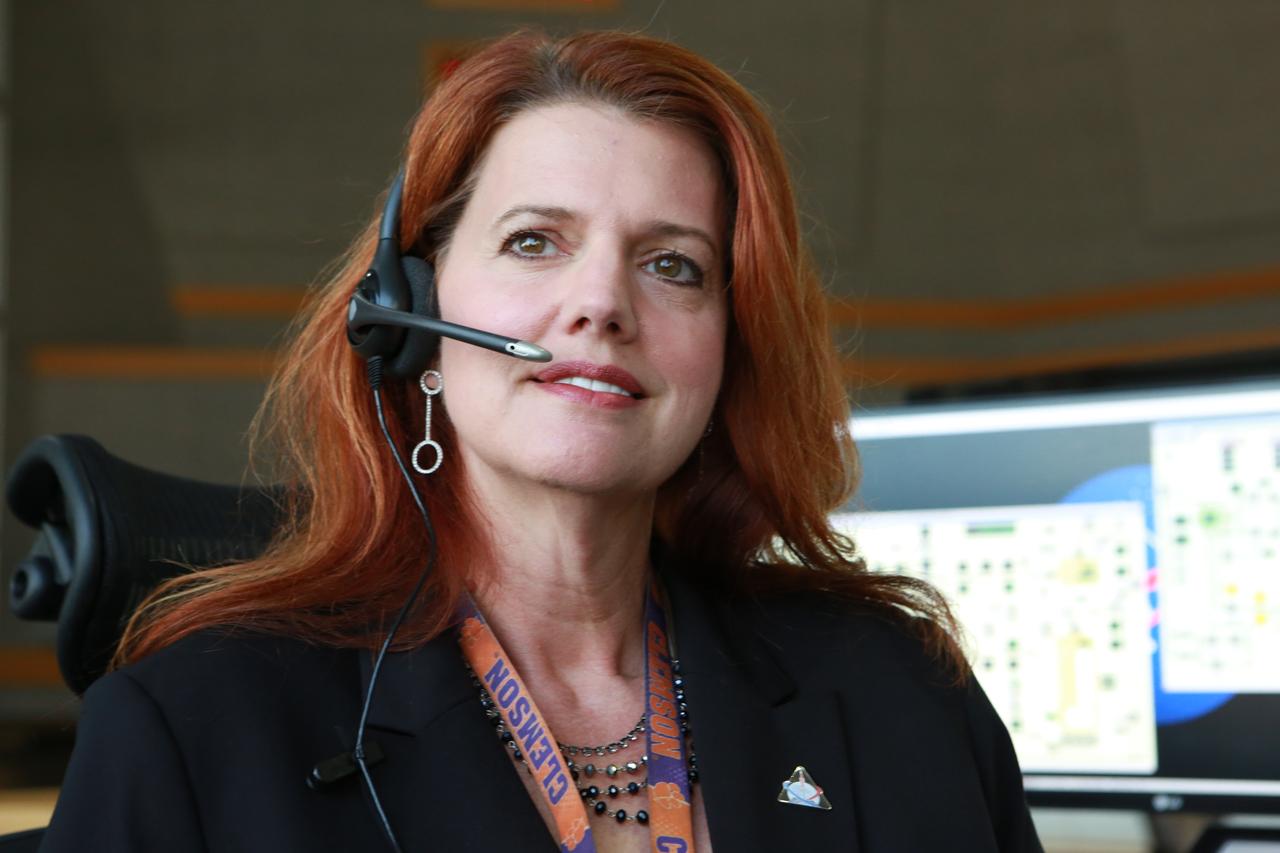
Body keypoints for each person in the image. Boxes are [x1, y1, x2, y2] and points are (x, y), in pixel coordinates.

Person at [39, 30, 1043, 852]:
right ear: (410, 320)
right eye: (533, 241)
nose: (601, 302)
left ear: (725, 355)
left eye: (672, 265)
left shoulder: (903, 694)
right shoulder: (193, 728)